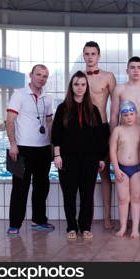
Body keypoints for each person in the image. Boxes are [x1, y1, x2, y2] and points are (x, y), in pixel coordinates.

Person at [51, 71, 108, 240]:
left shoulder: (93, 109)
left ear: (87, 87)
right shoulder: (63, 108)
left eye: (83, 84)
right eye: (77, 84)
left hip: (89, 159)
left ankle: (85, 226)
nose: (80, 88)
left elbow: (99, 136)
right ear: (71, 86)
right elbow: (56, 134)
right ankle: (71, 226)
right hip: (68, 158)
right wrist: (57, 155)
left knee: (87, 194)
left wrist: (100, 158)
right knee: (69, 194)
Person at [5, 64, 54, 236]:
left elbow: (49, 123)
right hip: (22, 149)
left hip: (43, 148)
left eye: (45, 76)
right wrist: (13, 144)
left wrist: (53, 147)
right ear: (31, 75)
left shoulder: (47, 98)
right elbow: (10, 120)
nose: (42, 78)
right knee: (20, 187)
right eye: (39, 74)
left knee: (42, 186)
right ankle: (15, 224)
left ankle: (39, 220)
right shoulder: (19, 95)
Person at [82, 41, 117, 230]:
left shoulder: (108, 77)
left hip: (102, 128)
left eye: (93, 53)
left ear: (99, 56)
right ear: (83, 56)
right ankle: (85, 216)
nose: (90, 57)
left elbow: (116, 106)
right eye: (86, 54)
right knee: (84, 174)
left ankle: (107, 217)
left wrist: (114, 130)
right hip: (83, 130)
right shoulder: (78, 78)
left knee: (104, 175)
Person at [110, 101, 140, 238]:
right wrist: (116, 169)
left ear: (136, 114)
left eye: (131, 114)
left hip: (137, 169)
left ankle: (135, 228)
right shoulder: (118, 130)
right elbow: (112, 151)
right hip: (122, 168)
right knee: (123, 199)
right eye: (126, 115)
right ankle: (123, 226)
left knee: (136, 198)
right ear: (121, 117)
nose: (129, 117)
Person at [110, 56, 140, 127]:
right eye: (132, 67)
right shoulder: (119, 89)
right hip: (125, 132)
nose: (136, 70)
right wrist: (113, 135)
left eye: (139, 68)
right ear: (127, 71)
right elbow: (114, 116)